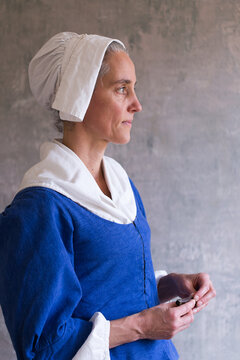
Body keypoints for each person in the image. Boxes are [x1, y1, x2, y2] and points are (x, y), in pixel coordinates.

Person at [0, 32, 216, 360]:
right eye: (121, 88)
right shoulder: (41, 206)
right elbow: (41, 346)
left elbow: (107, 290)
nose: (136, 104)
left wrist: (170, 285)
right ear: (79, 94)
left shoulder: (120, 183)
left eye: (134, 88)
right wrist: (143, 325)